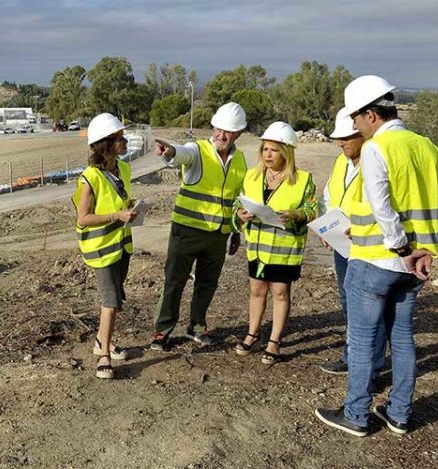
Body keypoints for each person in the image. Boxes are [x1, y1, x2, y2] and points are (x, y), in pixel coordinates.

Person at [315, 75, 438, 436]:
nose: (354, 125)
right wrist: (427, 248)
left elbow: (382, 207)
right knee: (402, 337)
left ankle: (356, 415)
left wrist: (402, 248)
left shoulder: (377, 148)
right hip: (414, 264)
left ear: (372, 114)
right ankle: (400, 414)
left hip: (376, 259)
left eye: (356, 118)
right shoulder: (427, 146)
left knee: (361, 340)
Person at [150, 103, 247, 351]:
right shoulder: (198, 150)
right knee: (174, 281)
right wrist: (169, 151)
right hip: (187, 230)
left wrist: (236, 231)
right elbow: (180, 154)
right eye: (218, 129)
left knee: (207, 283)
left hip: (218, 235)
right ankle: (162, 330)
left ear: (238, 134)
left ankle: (197, 325)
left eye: (227, 131)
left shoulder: (240, 161)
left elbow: (238, 198)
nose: (220, 135)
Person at [233, 122, 317, 364]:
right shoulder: (251, 176)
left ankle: (274, 341)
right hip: (257, 248)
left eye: (274, 150)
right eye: (264, 150)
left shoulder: (303, 180)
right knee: (257, 290)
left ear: (287, 152)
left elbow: (311, 210)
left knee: (280, 292)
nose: (267, 155)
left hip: (284, 249)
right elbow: (238, 204)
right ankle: (253, 333)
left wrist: (296, 215)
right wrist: (240, 214)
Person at [318, 108, 386, 376]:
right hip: (342, 245)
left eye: (346, 137)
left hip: (368, 247)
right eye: (339, 138)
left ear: (362, 132)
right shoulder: (340, 161)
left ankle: (373, 365)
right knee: (348, 302)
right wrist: (328, 226)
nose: (341, 142)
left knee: (371, 310)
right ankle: (352, 357)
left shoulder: (376, 159)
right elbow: (330, 196)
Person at [72, 112, 138, 379]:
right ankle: (104, 358)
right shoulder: (90, 177)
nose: (125, 141)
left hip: (121, 245)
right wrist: (116, 216)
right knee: (110, 302)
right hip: (100, 249)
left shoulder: (124, 169)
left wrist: (131, 209)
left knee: (116, 302)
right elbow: (83, 218)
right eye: (118, 138)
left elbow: (120, 200)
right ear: (104, 144)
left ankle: (102, 341)